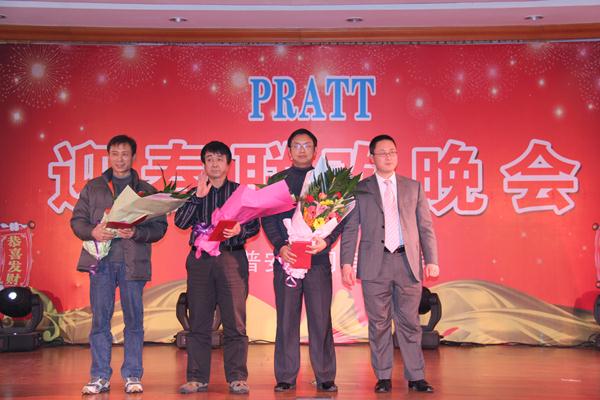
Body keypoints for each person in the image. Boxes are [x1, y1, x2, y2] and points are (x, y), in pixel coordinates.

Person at [340, 134, 439, 393]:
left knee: (410, 323)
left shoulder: (413, 187)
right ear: (371, 158)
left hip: (407, 263)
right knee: (379, 323)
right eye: (382, 152)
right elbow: (350, 229)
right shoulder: (360, 189)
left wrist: (431, 259)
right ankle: (383, 376)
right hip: (376, 264)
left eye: (392, 152)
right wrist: (346, 263)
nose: (388, 156)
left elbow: (425, 227)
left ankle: (416, 376)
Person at [71, 134, 168, 395]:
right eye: (115, 153)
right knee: (100, 321)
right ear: (108, 156)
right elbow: (77, 221)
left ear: (133, 156)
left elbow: (159, 228)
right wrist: (93, 231)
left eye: (125, 154)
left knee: (134, 320)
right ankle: (99, 376)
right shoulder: (94, 187)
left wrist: (136, 232)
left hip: (132, 263)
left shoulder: (145, 190)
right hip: (100, 264)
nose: (120, 159)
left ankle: (133, 374)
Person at [175, 141, 260, 395]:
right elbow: (180, 222)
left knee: (235, 321)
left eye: (219, 159)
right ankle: (196, 378)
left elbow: (254, 226)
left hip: (231, 259)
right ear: (204, 164)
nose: (214, 164)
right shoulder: (196, 192)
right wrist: (197, 198)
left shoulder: (240, 192)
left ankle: (237, 377)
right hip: (200, 261)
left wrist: (240, 229)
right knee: (199, 320)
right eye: (209, 159)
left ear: (228, 164)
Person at [262, 128, 340, 393]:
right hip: (287, 260)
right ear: (289, 151)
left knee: (321, 319)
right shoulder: (278, 181)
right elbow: (268, 218)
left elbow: (339, 217)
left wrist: (326, 241)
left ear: (315, 150)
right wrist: (280, 247)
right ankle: (285, 376)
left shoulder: (327, 181)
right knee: (286, 318)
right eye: (297, 145)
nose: (302, 150)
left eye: (307, 145)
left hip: (317, 260)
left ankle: (325, 375)